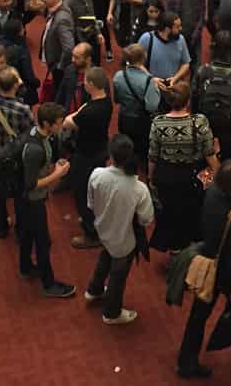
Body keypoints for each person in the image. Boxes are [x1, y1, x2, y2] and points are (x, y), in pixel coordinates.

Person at [176, 158, 231, 378]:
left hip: (208, 257)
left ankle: (188, 360)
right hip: (223, 271)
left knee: (199, 314)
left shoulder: (213, 192)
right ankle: (192, 361)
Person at [84, 134, 154, 324]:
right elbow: (146, 219)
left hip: (102, 230)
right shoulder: (139, 188)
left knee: (105, 256)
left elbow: (90, 204)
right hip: (124, 239)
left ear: (111, 156)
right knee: (118, 276)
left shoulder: (97, 174)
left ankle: (94, 290)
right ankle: (111, 313)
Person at [148, 82, 219, 253]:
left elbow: (153, 155)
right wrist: (218, 173)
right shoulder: (200, 121)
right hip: (191, 176)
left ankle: (173, 249)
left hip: (166, 174)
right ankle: (188, 250)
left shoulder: (158, 123)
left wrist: (151, 177)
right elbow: (210, 153)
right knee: (191, 213)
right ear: (188, 101)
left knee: (170, 212)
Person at [18, 102, 75, 298]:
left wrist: (53, 167)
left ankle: (25, 267)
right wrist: (58, 174)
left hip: (27, 201)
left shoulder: (38, 136)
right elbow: (31, 184)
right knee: (43, 243)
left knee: (26, 235)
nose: (62, 126)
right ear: (46, 123)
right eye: (58, 123)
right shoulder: (36, 149)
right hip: (32, 201)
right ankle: (49, 285)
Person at [0, 65, 33, 237]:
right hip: (17, 163)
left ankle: (1, 228)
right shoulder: (23, 110)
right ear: (15, 86)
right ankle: (20, 230)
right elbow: (31, 135)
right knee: (19, 197)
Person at [62, 66, 112, 248]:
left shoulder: (89, 111)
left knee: (82, 193)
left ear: (91, 84)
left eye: (85, 82)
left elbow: (68, 122)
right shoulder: (106, 102)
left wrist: (78, 111)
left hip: (85, 155)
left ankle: (91, 233)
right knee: (95, 192)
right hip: (100, 151)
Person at [192, 30, 231, 162]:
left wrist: (195, 119)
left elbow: (194, 96)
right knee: (227, 158)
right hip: (229, 123)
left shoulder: (203, 70)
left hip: (205, 120)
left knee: (203, 156)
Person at [112, 43, 160, 168]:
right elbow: (152, 107)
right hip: (141, 123)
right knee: (143, 151)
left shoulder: (118, 76)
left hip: (124, 119)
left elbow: (116, 100)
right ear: (143, 58)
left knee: (127, 150)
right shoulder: (148, 80)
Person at [137, 11, 191, 91]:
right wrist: (151, 79)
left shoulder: (181, 39)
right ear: (167, 29)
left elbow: (186, 64)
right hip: (151, 89)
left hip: (172, 89)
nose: (181, 29)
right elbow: (136, 63)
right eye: (177, 27)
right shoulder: (146, 39)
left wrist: (175, 78)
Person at [165, 0, 207, 67]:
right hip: (178, 34)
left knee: (195, 62)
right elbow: (168, 18)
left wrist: (196, 34)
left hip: (194, 33)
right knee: (176, 62)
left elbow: (202, 17)